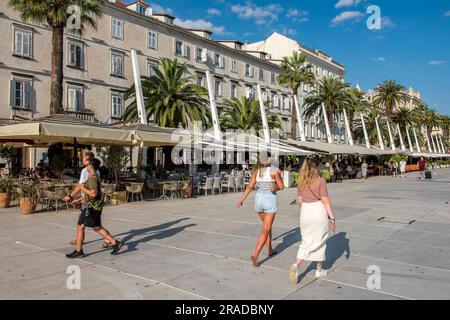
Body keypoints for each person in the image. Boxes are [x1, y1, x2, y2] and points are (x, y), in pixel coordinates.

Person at [289, 157, 336, 284]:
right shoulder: (320, 181)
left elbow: (299, 200)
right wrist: (332, 217)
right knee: (320, 241)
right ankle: (319, 270)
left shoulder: (300, 181)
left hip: (305, 211)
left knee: (306, 241)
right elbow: (325, 200)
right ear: (315, 168)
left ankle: (296, 265)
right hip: (318, 211)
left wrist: (306, 209)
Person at [66, 158, 123, 258]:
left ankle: (79, 251)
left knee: (83, 227)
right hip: (94, 207)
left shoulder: (92, 179)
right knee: (95, 227)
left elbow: (93, 193)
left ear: (91, 166)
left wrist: (82, 187)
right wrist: (79, 200)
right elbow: (94, 195)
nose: (86, 167)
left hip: (91, 208)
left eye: (87, 165)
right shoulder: (95, 177)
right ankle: (114, 243)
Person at [237, 154, 284, 267]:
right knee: (265, 229)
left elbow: (249, 187)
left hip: (259, 200)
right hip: (269, 200)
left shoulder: (257, 171)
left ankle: (270, 250)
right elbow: (281, 186)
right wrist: (275, 186)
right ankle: (255, 254)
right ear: (268, 160)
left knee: (267, 227)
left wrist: (241, 200)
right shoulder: (274, 171)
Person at [63, 152, 110, 248]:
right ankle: (80, 242)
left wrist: (71, 196)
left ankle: (112, 241)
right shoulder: (96, 170)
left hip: (89, 201)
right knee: (87, 224)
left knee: (93, 225)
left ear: (88, 161)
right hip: (90, 200)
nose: (82, 160)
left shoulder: (86, 170)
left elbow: (81, 186)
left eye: (84, 158)